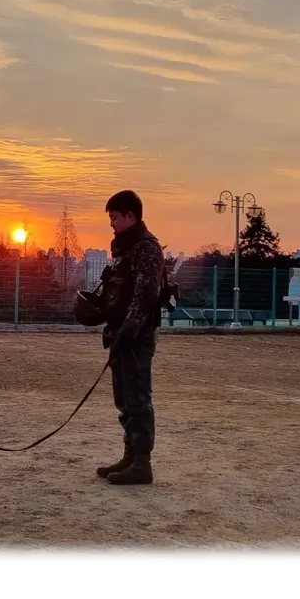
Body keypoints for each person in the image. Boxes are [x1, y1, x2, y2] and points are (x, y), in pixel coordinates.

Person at [96, 190, 165, 485]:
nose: (111, 224)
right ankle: (130, 456)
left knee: (137, 400)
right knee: (124, 400)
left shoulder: (146, 248)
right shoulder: (127, 249)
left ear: (130, 216)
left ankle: (141, 464)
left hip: (135, 339)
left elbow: (145, 297)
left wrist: (127, 333)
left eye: (114, 218)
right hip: (120, 336)